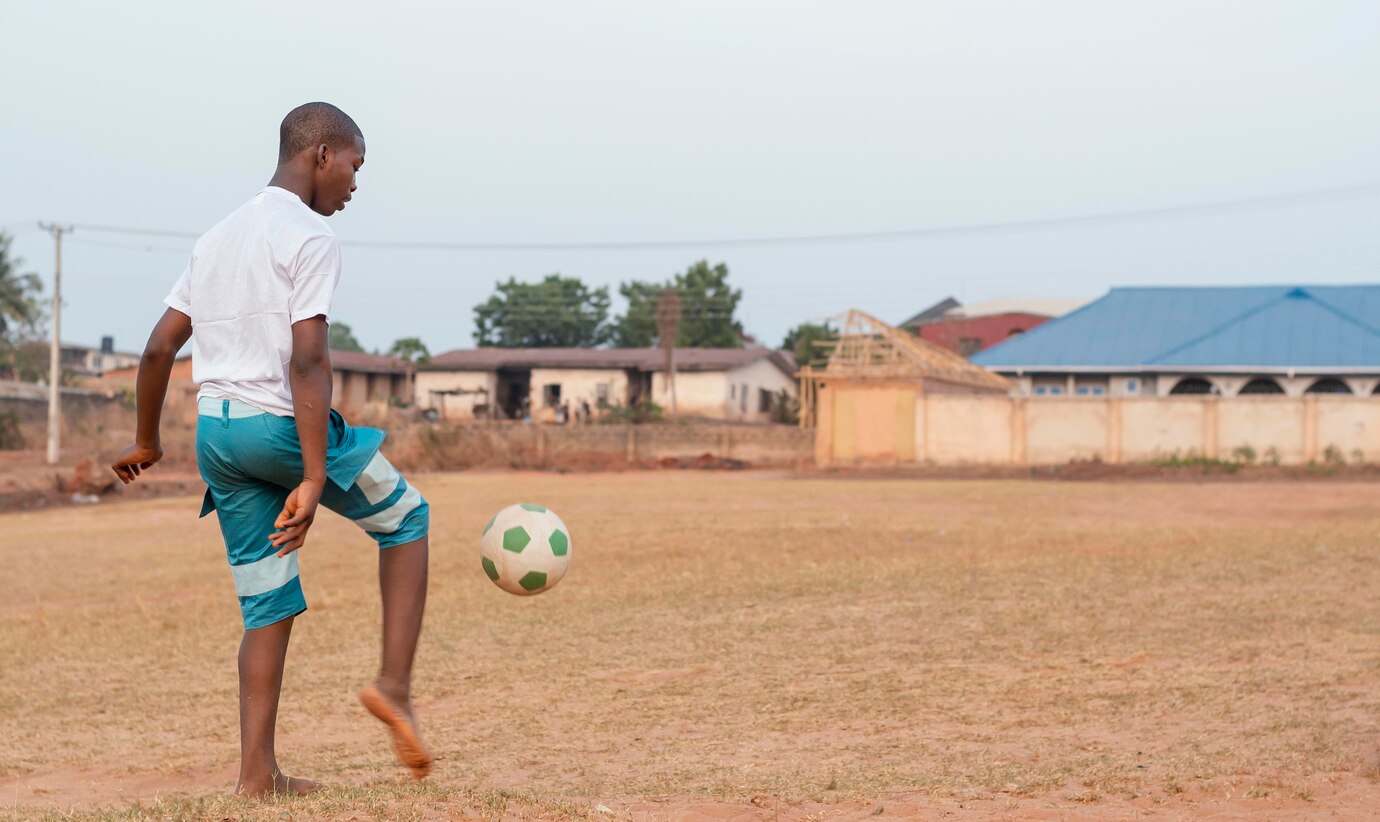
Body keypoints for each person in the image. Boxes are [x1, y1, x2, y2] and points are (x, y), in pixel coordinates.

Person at [111, 102, 433, 798]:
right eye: (355, 164)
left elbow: (162, 345)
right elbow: (309, 361)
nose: (355, 182)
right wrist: (315, 476)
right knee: (407, 520)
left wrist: (146, 438)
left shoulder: (218, 236)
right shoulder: (309, 237)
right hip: (278, 429)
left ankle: (257, 776)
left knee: (268, 602)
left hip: (218, 437)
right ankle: (394, 688)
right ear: (321, 155)